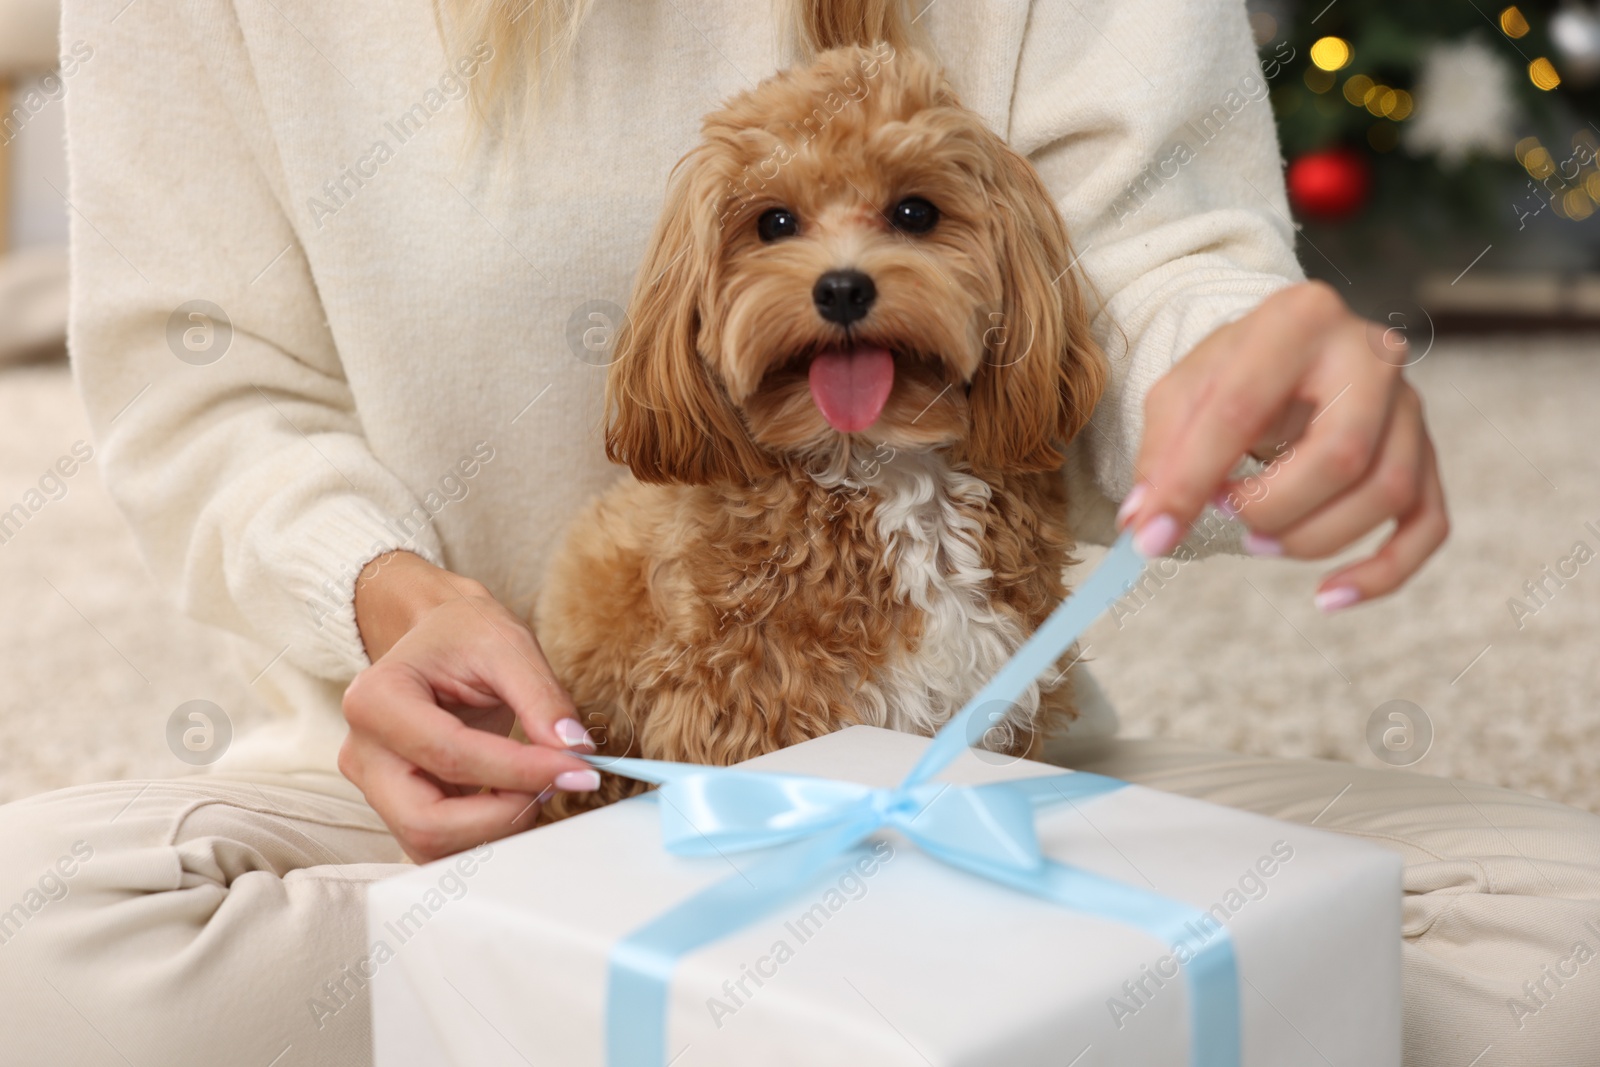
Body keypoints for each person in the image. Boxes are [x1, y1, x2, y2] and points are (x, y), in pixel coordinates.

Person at [0, 1, 1593, 1064]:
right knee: (37, 933)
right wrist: (388, 599)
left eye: (904, 221)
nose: (839, 270)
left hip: (987, 791)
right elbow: (207, 379)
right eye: (782, 231)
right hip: (514, 812)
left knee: (1567, 937)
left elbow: (1142, 264)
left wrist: (1252, 382)